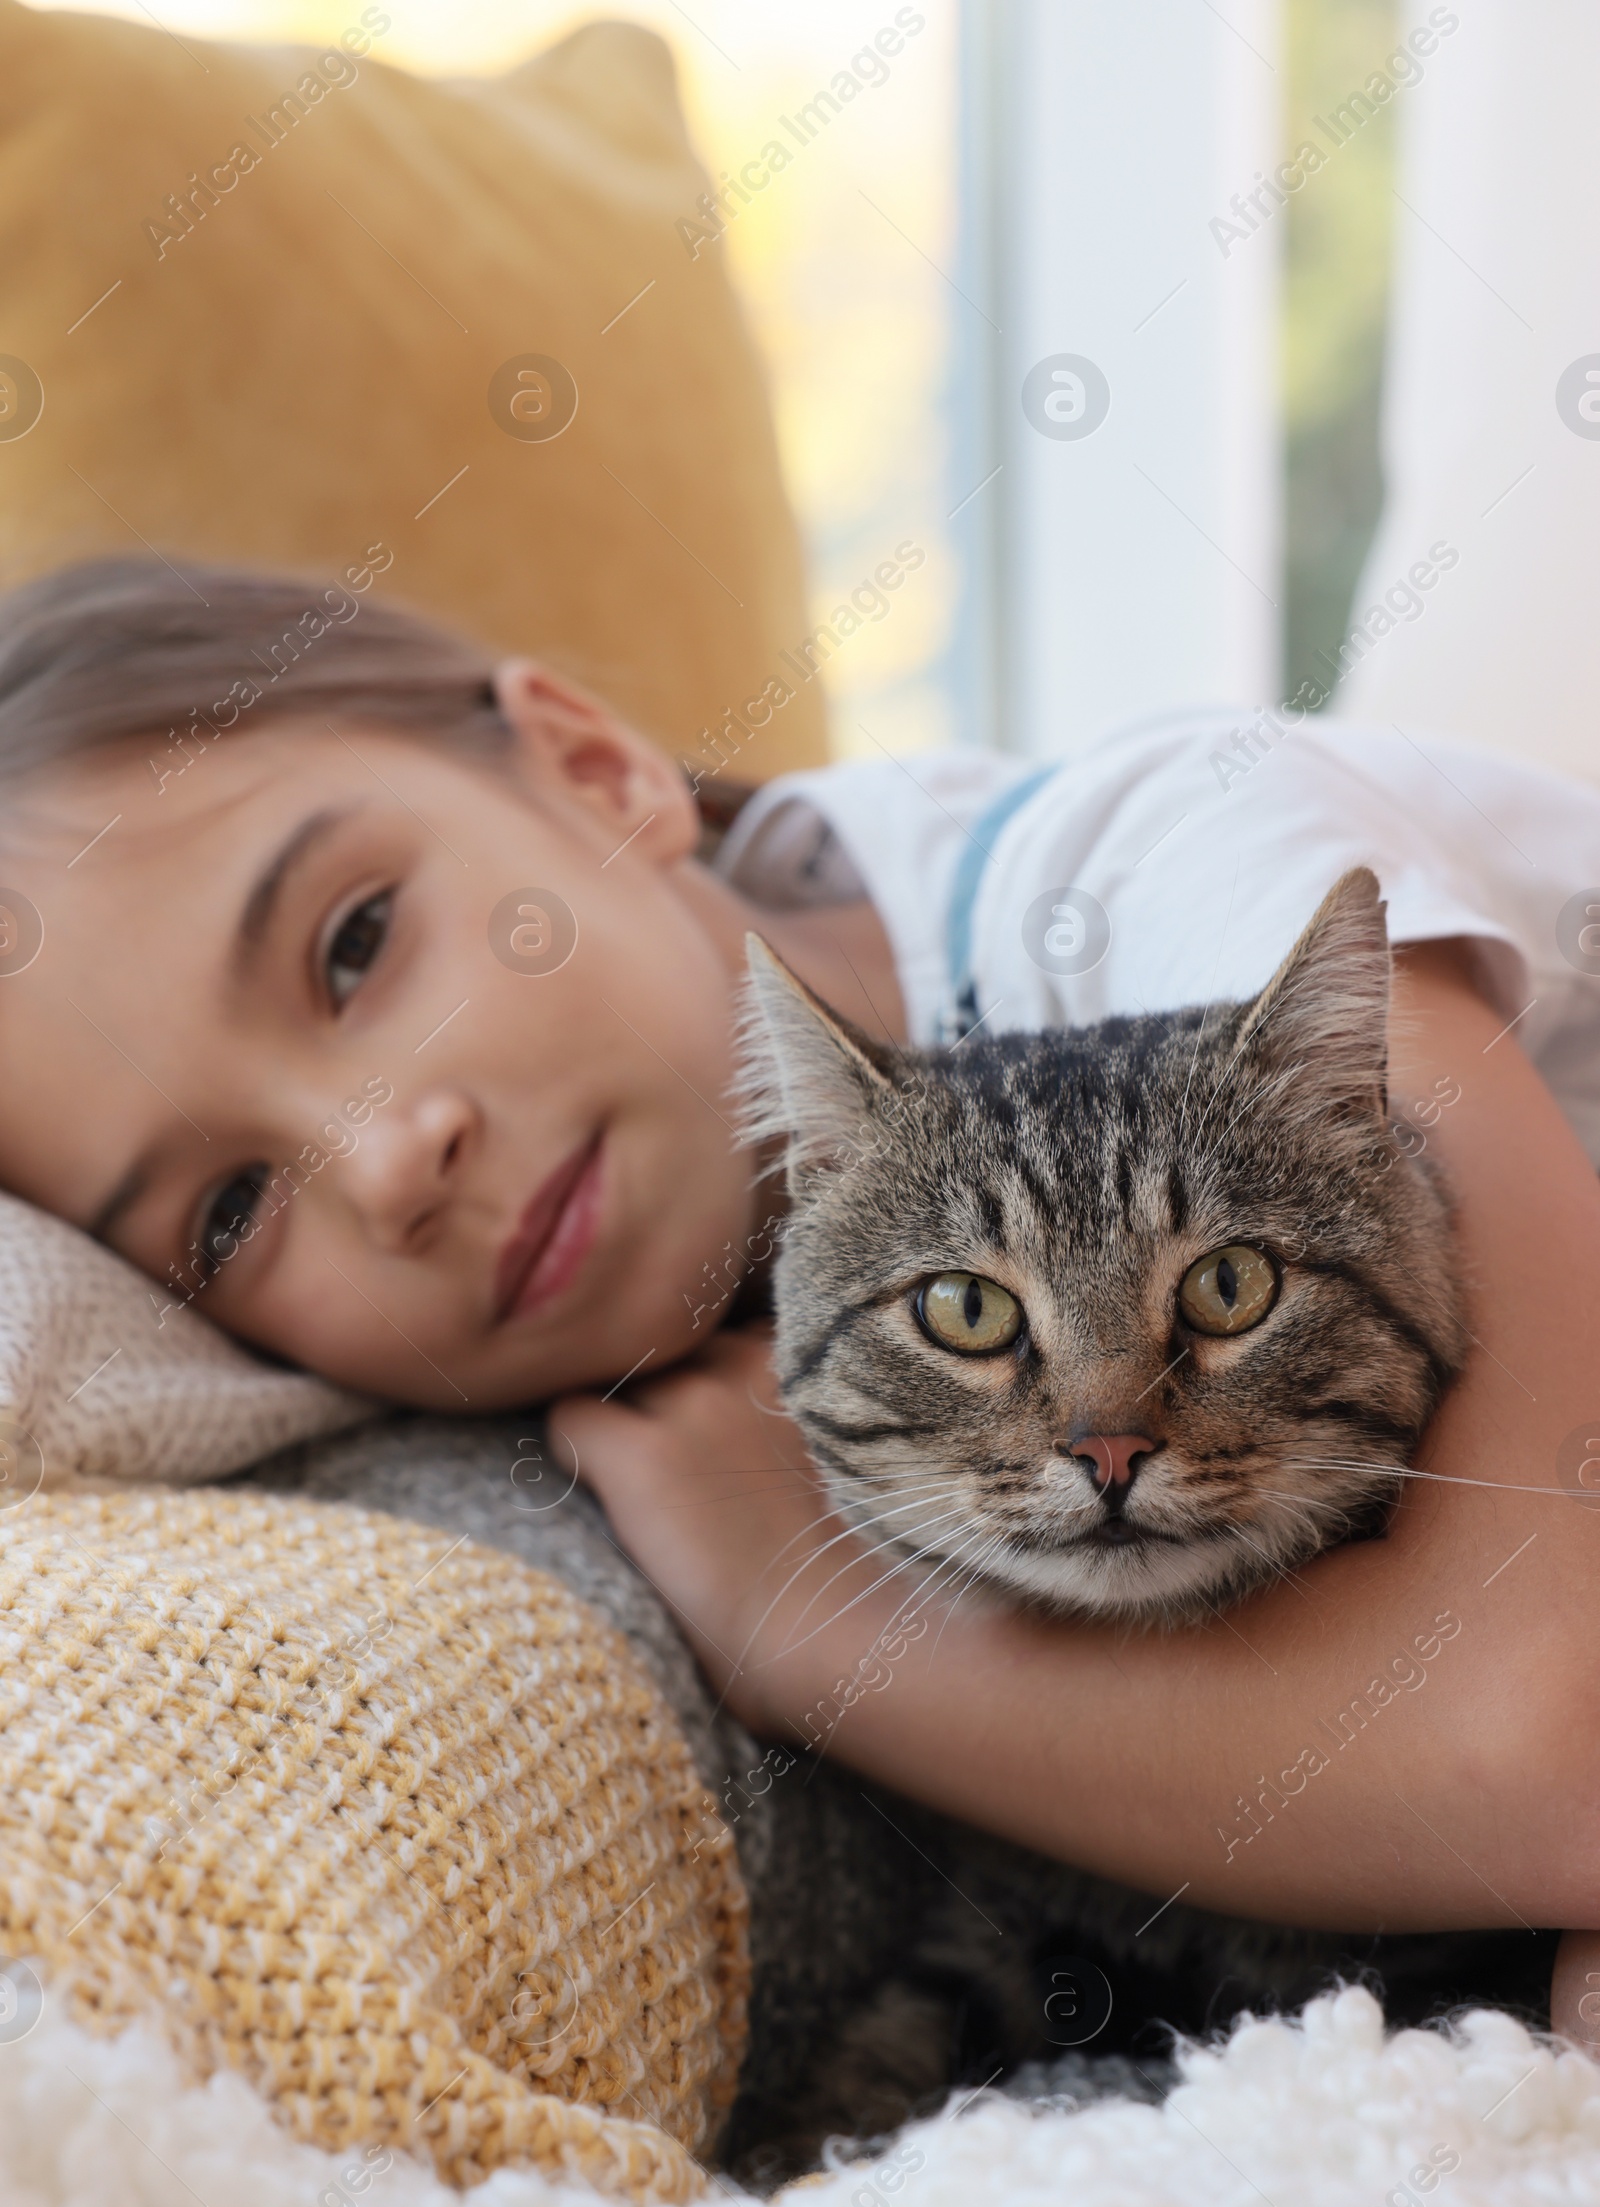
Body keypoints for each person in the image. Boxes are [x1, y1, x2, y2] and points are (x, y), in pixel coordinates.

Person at [0, 556, 1595, 2052]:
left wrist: (809, 1630)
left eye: (355, 947)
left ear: (591, 769)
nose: (391, 1162)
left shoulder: (1181, 856)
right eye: (228, 1210)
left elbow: (1566, 1752)